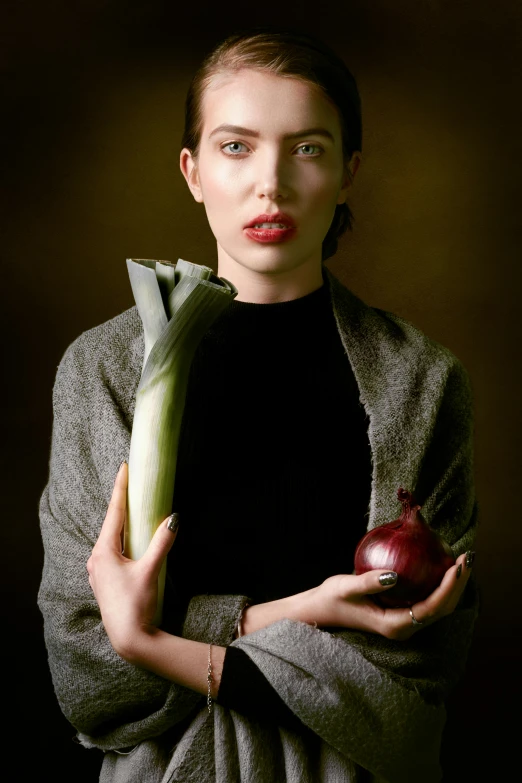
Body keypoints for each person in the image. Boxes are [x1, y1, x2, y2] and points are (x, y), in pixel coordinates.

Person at [38, 25, 479, 783]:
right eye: (235, 146)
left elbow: (413, 684)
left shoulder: (422, 380)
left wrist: (157, 641)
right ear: (192, 170)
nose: (269, 183)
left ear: (348, 170)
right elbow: (88, 671)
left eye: (307, 147)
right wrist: (304, 611)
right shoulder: (102, 371)